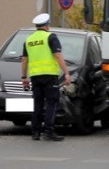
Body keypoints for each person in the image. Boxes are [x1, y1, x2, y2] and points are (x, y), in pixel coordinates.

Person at [21, 13, 71, 141]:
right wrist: (66, 73)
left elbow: (24, 60)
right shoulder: (51, 37)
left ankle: (35, 132)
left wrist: (24, 77)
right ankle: (49, 131)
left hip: (35, 76)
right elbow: (58, 56)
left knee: (37, 104)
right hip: (49, 76)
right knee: (52, 103)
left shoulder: (29, 40)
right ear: (47, 25)